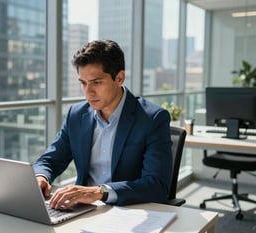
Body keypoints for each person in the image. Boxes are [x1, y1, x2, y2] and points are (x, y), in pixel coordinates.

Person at [34, 40, 172, 210]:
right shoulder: (76, 115)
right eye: (83, 83)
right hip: (83, 210)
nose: (88, 92)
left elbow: (157, 185)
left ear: (119, 78)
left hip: (130, 210)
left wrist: (100, 192)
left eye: (96, 82)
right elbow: (50, 160)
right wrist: (41, 177)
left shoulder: (152, 119)